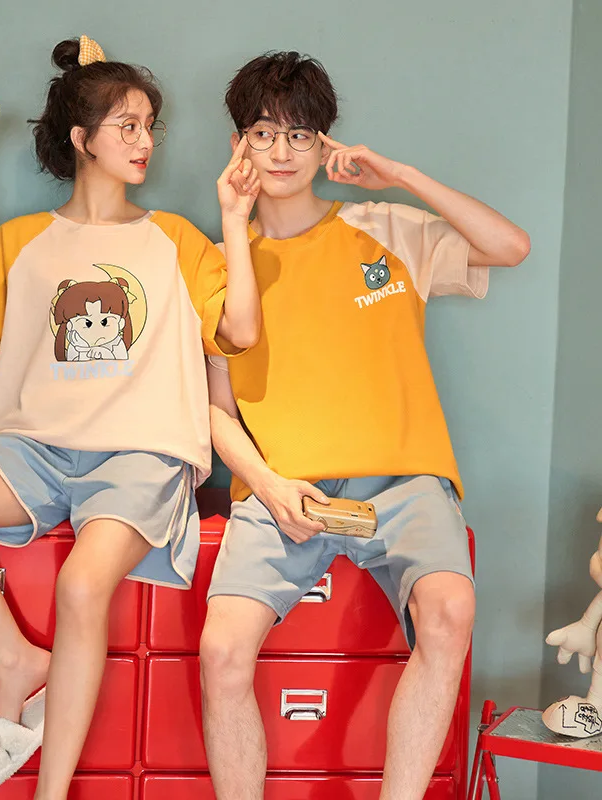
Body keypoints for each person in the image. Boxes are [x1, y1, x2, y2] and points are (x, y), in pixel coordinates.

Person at [0, 35, 260, 800]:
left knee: (83, 587)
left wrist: (234, 219)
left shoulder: (178, 242)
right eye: (127, 125)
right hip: (34, 449)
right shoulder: (22, 241)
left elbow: (242, 332)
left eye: (150, 126)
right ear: (82, 138)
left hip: (141, 456)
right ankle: (16, 658)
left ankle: (50, 793)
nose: (145, 141)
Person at [199, 50, 530, 800]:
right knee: (220, 652)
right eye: (262, 133)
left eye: (300, 134)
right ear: (238, 144)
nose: (281, 152)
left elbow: (510, 247)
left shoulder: (385, 229)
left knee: (450, 614)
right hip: (283, 490)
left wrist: (401, 176)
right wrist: (267, 485)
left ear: (323, 142)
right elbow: (216, 410)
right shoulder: (218, 264)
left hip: (407, 483)